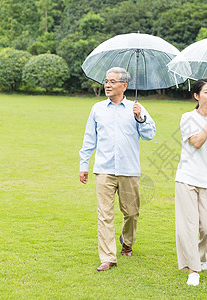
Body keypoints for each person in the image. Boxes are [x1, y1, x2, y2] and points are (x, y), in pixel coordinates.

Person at [79, 67, 156, 272]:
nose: (107, 85)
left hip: (129, 170)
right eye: (106, 81)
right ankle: (108, 257)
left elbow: (150, 134)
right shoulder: (97, 109)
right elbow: (89, 139)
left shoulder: (136, 108)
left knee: (131, 212)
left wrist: (141, 118)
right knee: (104, 214)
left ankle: (127, 241)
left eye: (112, 81)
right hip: (104, 169)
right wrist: (83, 164)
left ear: (124, 85)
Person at [175, 79, 207, 286]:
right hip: (187, 178)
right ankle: (193, 269)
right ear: (196, 96)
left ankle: (200, 254)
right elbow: (195, 143)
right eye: (206, 92)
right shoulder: (187, 117)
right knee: (188, 226)